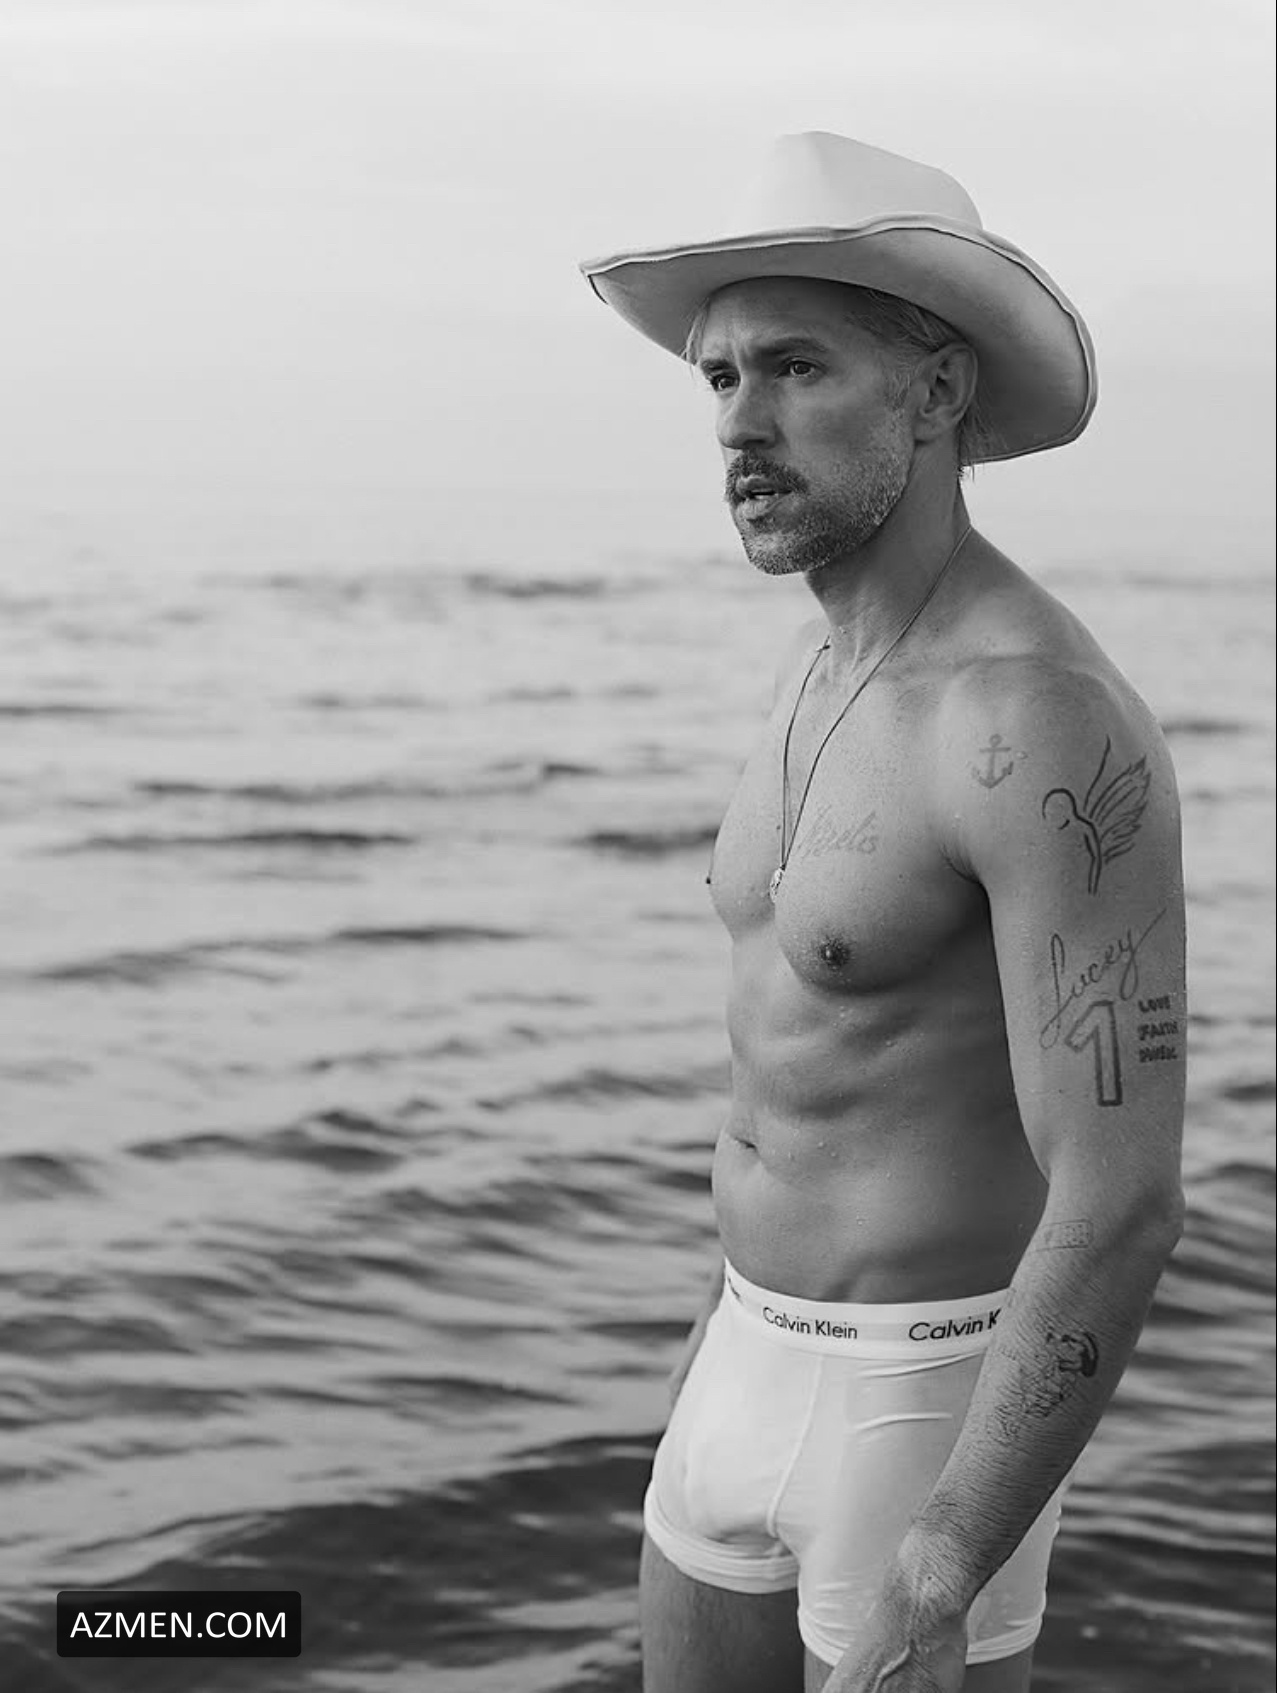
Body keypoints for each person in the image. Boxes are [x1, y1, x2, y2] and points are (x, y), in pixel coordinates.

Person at [579, 133, 1186, 1692]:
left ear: (936, 392)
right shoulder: (815, 666)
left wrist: (943, 1559)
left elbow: (1116, 1195)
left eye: (795, 367)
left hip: (917, 1414)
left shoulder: (1032, 716)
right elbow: (791, 1064)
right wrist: (712, 1353)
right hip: (737, 1353)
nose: (741, 421)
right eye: (719, 377)